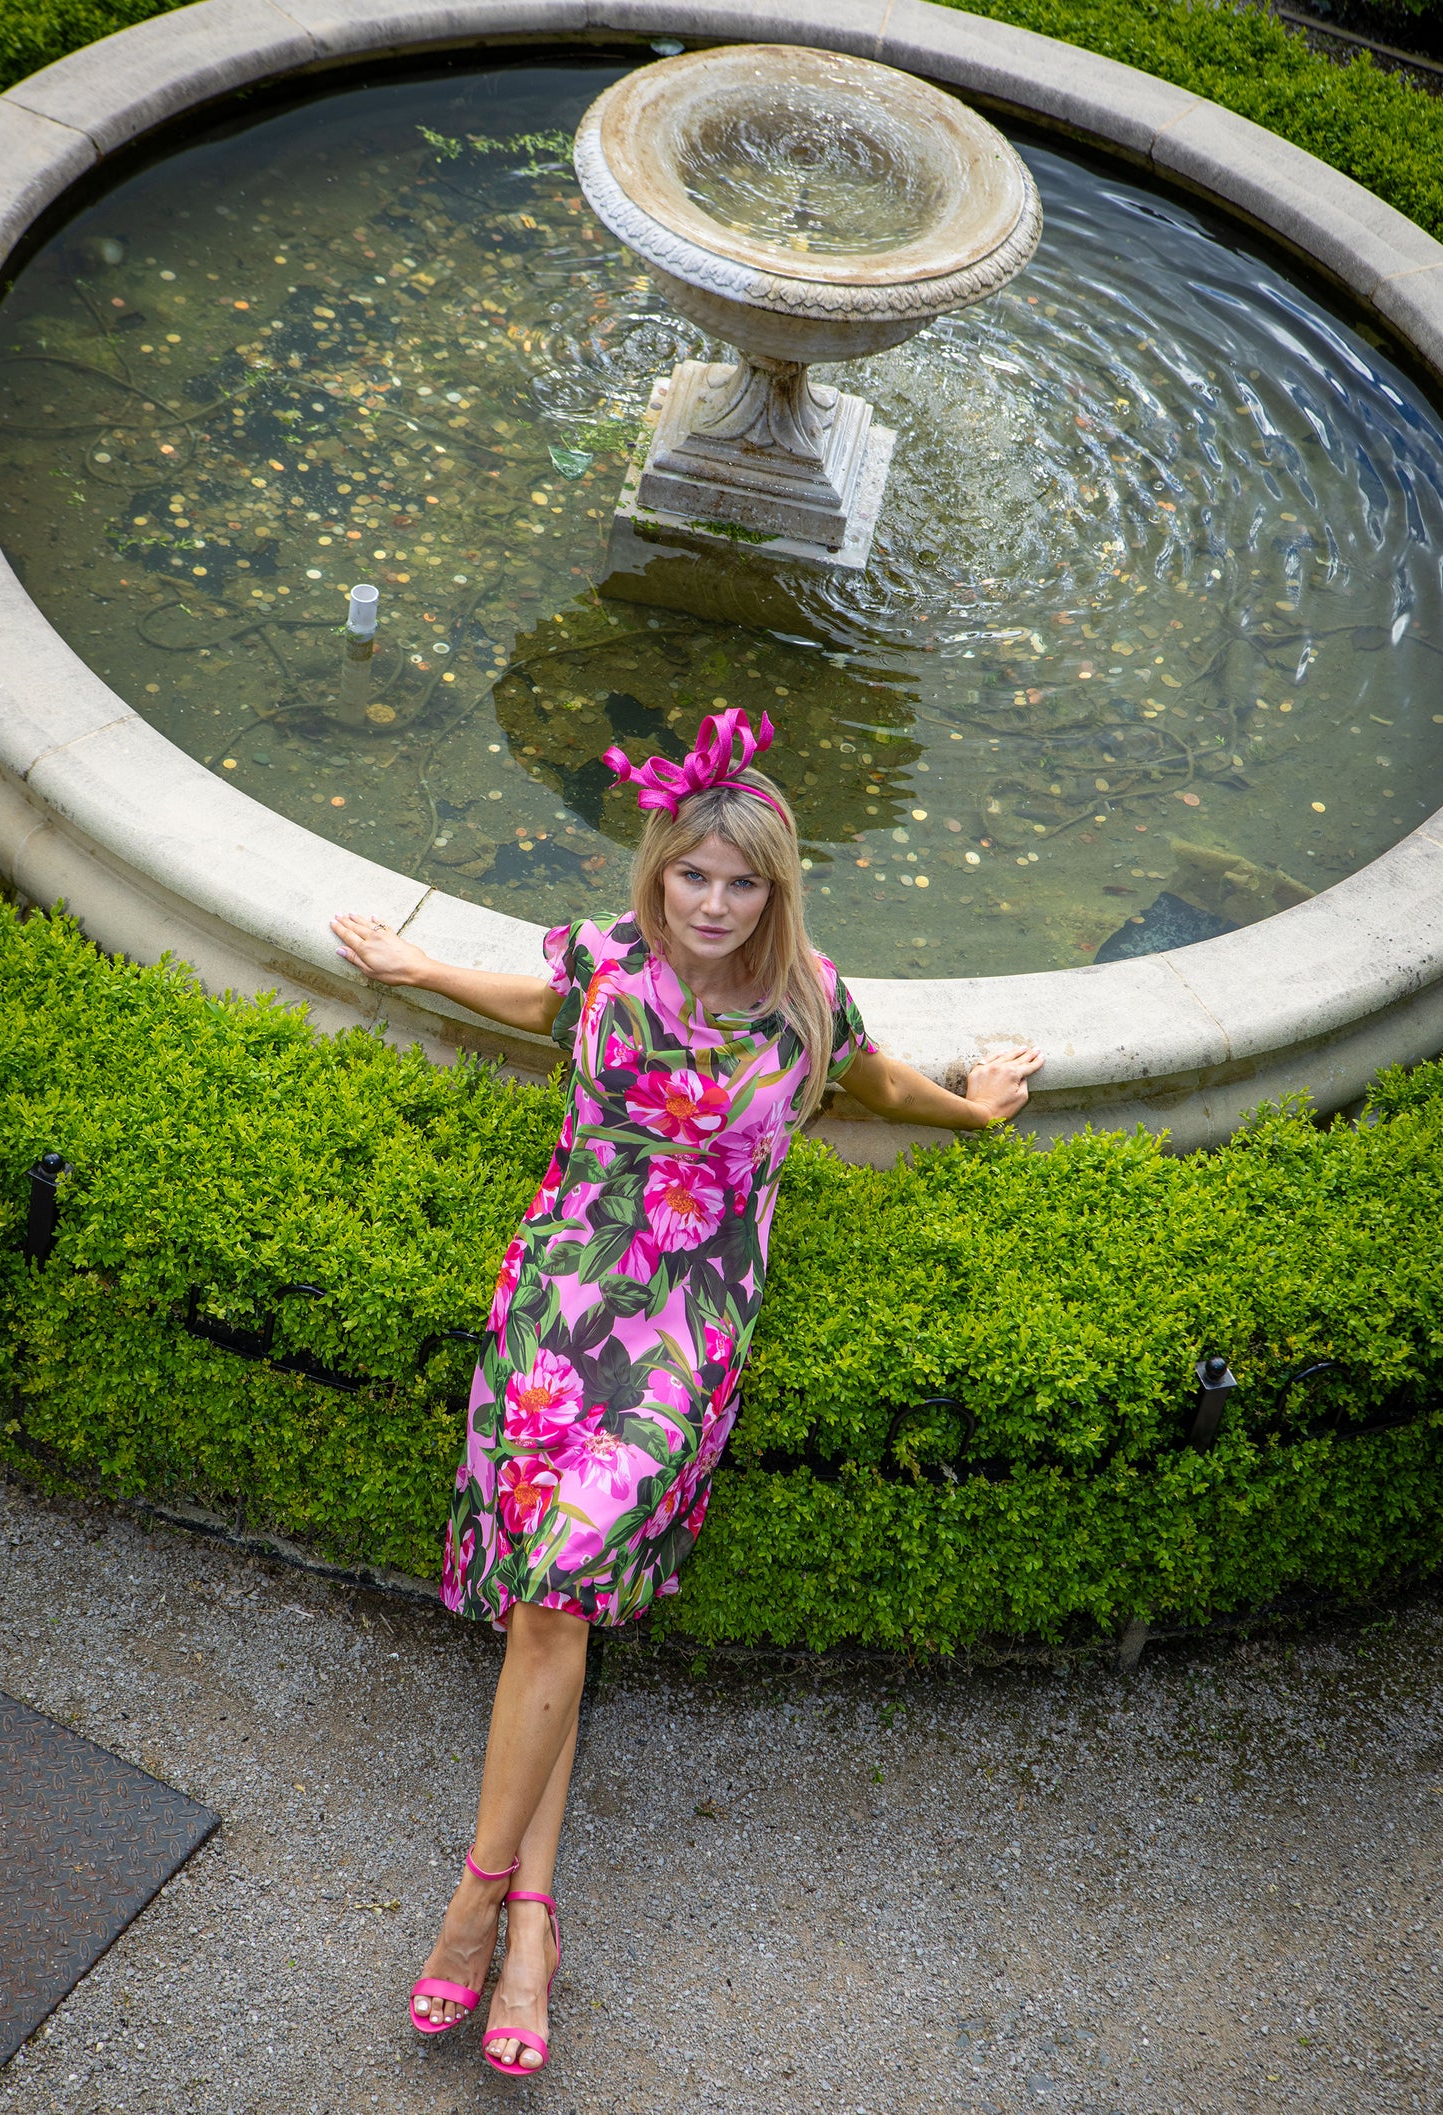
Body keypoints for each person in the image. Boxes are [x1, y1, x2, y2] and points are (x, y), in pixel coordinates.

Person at [330, 707, 1041, 2075]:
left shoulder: (805, 1001)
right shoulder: (605, 962)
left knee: (556, 1589)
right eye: (689, 876)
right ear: (656, 870)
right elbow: (531, 1003)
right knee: (556, 1606)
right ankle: (532, 1920)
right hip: (560, 1291)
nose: (710, 904)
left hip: (687, 1326)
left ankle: (470, 1907)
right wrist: (418, 967)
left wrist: (976, 1107)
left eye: (740, 883)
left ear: (775, 891)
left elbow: (873, 1081)